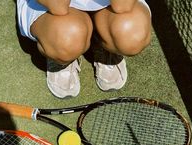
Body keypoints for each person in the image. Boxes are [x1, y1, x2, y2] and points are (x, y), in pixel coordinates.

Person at [16, 0, 152, 98]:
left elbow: (122, 5)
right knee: (66, 41)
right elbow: (58, 7)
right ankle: (64, 55)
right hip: (51, 7)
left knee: (132, 37)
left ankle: (101, 39)